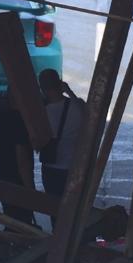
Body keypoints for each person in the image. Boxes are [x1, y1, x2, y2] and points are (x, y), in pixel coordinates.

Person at [0, 72, 35, 223]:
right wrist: (30, 188)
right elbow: (22, 160)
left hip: (3, 175)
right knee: (23, 223)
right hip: (18, 181)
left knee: (12, 222)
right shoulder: (19, 122)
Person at [40, 68, 90, 210]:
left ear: (42, 88)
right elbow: (90, 116)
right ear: (60, 83)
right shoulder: (77, 106)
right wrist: (69, 92)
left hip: (52, 166)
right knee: (73, 208)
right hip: (74, 164)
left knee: (54, 207)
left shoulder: (42, 111)